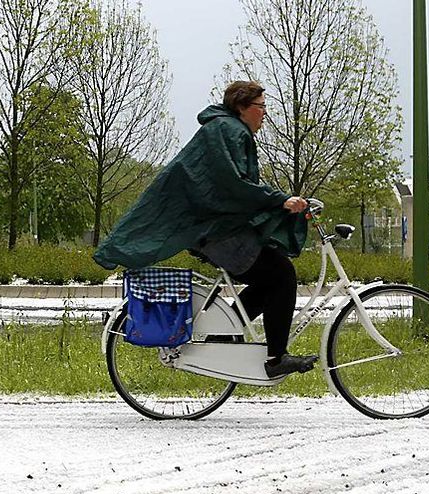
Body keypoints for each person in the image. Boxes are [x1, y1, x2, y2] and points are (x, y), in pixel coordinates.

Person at [94, 80, 317, 378]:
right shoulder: (230, 131)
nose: (265, 114)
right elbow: (235, 186)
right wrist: (281, 201)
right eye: (261, 107)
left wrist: (279, 202)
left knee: (270, 280)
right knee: (282, 274)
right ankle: (276, 357)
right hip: (217, 232)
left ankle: (220, 341)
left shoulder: (223, 130)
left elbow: (237, 186)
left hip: (212, 229)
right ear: (241, 107)